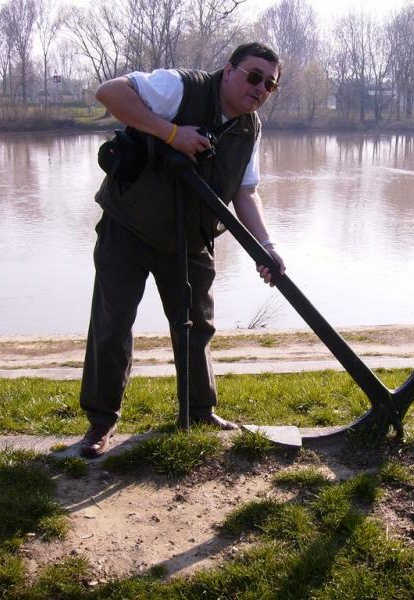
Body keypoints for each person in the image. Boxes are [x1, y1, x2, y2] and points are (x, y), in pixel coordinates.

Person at [78, 42, 286, 458]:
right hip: (129, 227)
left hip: (190, 238)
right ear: (229, 70)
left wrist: (266, 245)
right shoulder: (180, 87)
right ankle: (100, 423)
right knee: (112, 324)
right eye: (254, 76)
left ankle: (198, 412)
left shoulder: (250, 129)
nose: (261, 88)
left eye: (270, 84)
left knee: (197, 326)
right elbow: (109, 93)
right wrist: (171, 133)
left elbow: (246, 193)